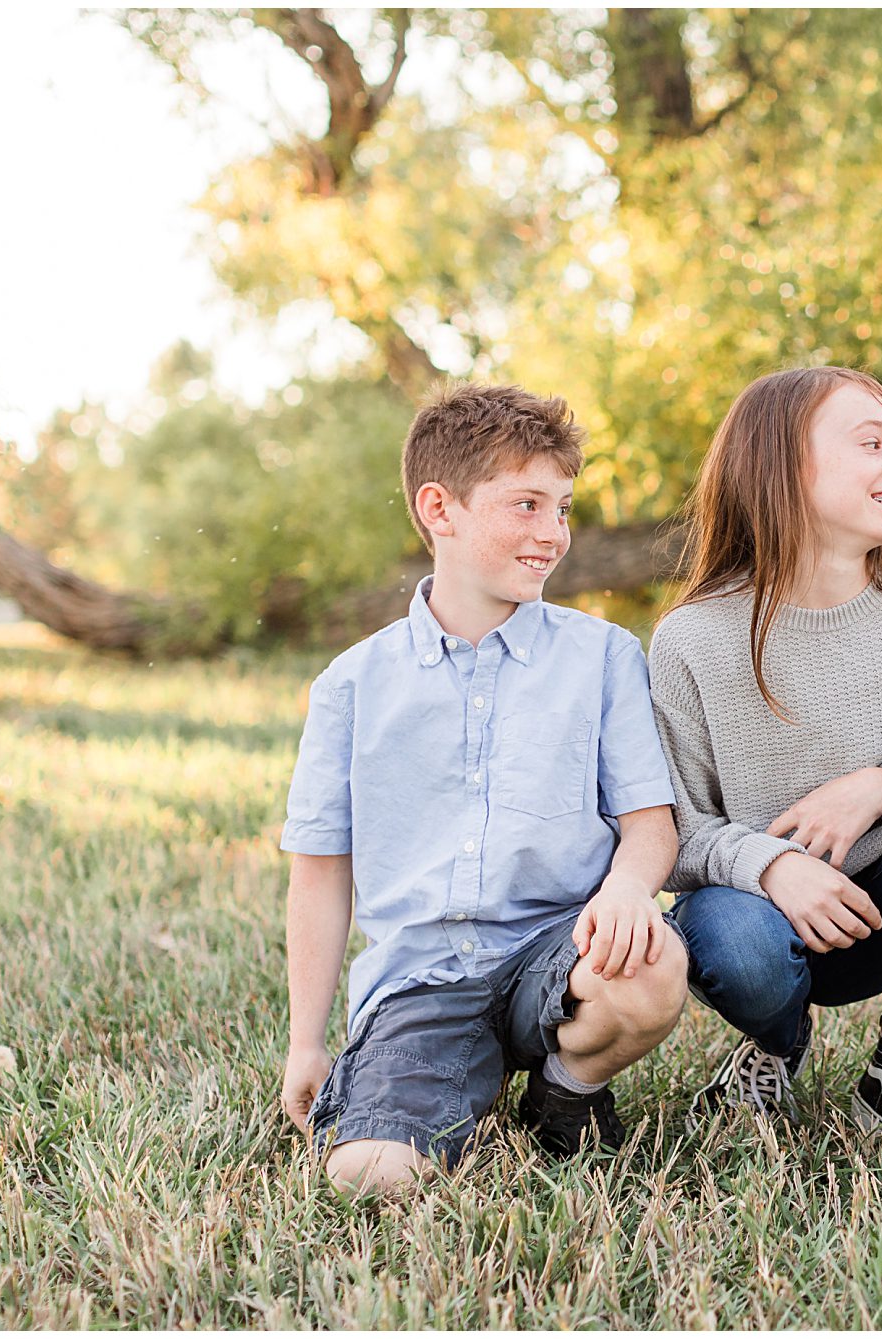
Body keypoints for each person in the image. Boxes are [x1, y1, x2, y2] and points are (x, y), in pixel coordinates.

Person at [278, 382, 687, 1193]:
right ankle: (432, 1083)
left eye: (562, 508)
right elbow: (321, 870)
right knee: (367, 1176)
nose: (553, 534)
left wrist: (628, 890)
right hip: (421, 978)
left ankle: (565, 1092)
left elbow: (651, 824)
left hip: (559, 951)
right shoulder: (351, 685)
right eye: (527, 505)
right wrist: (306, 1041)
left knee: (651, 968)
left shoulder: (603, 658)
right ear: (441, 508)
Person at [648, 366, 882, 1147]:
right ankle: (777, 1044)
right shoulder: (692, 639)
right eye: (873, 444)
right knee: (742, 947)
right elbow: (675, 834)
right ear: (786, 464)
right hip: (757, 916)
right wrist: (774, 866)